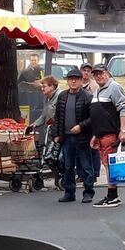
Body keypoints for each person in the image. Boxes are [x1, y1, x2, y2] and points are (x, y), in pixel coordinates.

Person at [89, 63, 125, 208]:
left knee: (110, 165)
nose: (99, 76)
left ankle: (112, 196)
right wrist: (95, 134)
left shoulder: (114, 87)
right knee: (107, 165)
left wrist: (123, 130)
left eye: (101, 73)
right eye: (96, 74)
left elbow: (123, 107)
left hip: (110, 134)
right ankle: (112, 195)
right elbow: (98, 115)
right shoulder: (98, 90)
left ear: (108, 73)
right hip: (101, 135)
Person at [52, 69, 95, 204]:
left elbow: (92, 118)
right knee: (68, 166)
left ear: (81, 81)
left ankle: (88, 193)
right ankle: (69, 193)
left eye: (76, 79)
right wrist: (56, 134)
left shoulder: (87, 96)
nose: (73, 81)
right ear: (67, 81)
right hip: (67, 138)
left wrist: (80, 126)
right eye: (71, 79)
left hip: (82, 137)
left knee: (86, 165)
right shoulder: (62, 96)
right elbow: (57, 117)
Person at [18, 53, 44, 120]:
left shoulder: (43, 70)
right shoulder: (25, 72)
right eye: (32, 60)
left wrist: (40, 83)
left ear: (38, 61)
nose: (33, 62)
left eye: (35, 60)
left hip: (39, 96)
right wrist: (32, 84)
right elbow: (20, 83)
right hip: (27, 96)